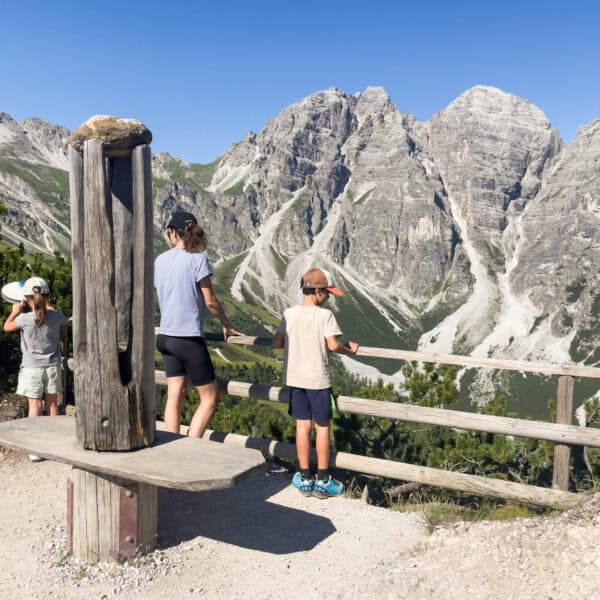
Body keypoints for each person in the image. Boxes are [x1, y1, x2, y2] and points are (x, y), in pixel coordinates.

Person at [272, 268, 359, 498]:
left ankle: (303, 476)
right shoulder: (325, 316)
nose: (329, 297)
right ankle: (323, 479)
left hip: (295, 379)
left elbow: (277, 343)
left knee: (302, 426)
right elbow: (332, 345)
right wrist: (349, 351)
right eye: (327, 293)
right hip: (318, 381)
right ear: (318, 291)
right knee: (322, 428)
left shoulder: (289, 314)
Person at [154, 211, 240, 438]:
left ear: (173, 232)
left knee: (174, 395)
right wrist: (227, 324)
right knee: (210, 398)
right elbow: (210, 301)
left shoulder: (160, 260)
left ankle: (170, 447)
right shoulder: (198, 260)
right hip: (188, 338)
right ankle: (190, 446)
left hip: (165, 337)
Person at [3, 276, 67, 461]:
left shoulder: (24, 319)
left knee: (34, 406)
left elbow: (6, 327)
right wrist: (46, 306)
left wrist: (15, 311)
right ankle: (55, 445)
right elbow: (61, 320)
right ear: (46, 297)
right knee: (53, 404)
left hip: (32, 368)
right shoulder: (56, 316)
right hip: (52, 366)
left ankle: (35, 449)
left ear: (26, 298)